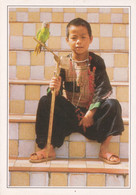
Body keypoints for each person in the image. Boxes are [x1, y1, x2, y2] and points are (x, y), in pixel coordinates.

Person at [29, 18, 124, 164]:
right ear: (67, 40)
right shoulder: (63, 62)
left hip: (91, 118)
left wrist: (91, 113)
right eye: (74, 38)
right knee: (46, 100)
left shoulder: (97, 61)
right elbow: (56, 95)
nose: (78, 41)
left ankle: (104, 149)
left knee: (113, 104)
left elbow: (103, 88)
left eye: (83, 37)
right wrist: (54, 89)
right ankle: (49, 147)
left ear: (91, 39)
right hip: (70, 116)